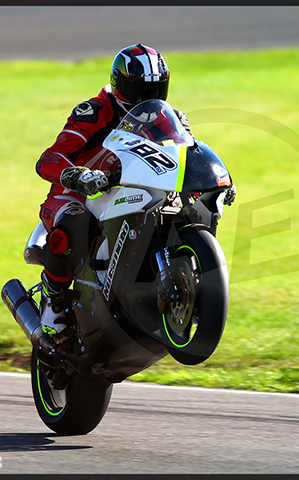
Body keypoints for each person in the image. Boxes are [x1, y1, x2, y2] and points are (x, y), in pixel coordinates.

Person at [34, 43, 191, 342]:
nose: (148, 99)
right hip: (76, 194)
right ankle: (53, 300)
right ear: (119, 85)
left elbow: (186, 155)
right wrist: (74, 175)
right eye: (139, 90)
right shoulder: (94, 112)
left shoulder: (169, 117)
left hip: (124, 191)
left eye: (156, 89)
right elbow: (49, 158)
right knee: (74, 221)